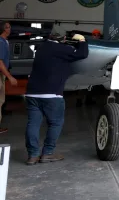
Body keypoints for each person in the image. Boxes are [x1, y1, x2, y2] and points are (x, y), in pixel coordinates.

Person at [25, 33, 89, 165]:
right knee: (55, 123)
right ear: (63, 40)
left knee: (33, 124)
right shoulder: (61, 49)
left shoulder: (41, 48)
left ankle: (32, 155)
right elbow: (82, 54)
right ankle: (47, 153)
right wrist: (82, 40)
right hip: (52, 94)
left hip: (32, 93)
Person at [0, 21, 18, 134]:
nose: (9, 29)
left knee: (1, 100)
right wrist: (9, 76)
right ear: (3, 29)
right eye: (7, 27)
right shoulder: (1, 42)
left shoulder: (5, 41)